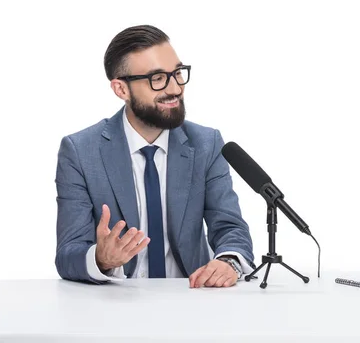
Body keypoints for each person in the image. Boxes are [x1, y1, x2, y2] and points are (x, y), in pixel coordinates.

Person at [55, 25, 254, 288]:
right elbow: (68, 253)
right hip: (115, 302)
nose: (175, 89)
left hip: (191, 297)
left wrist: (228, 262)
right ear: (121, 89)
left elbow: (231, 227)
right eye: (157, 78)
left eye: (178, 73)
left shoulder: (206, 144)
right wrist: (101, 259)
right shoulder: (80, 151)